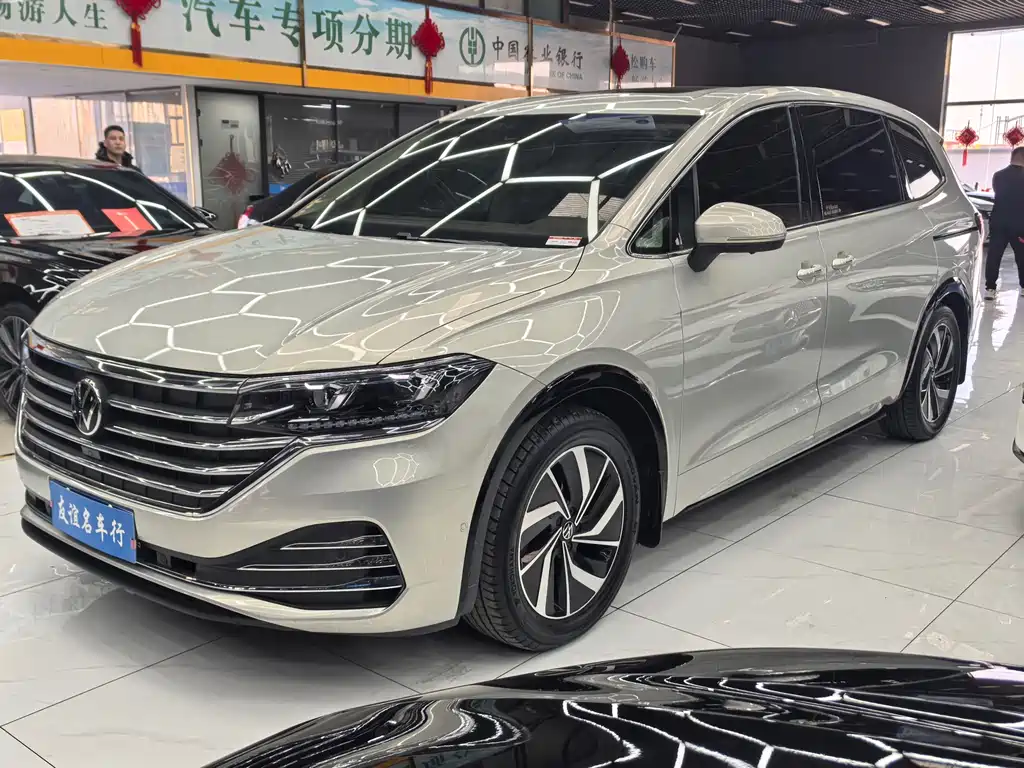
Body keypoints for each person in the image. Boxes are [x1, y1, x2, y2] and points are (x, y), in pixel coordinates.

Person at [984, 145, 1024, 300]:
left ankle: (990, 288)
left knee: (994, 256)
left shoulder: (998, 175)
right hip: (1020, 225)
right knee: (1022, 257)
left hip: (998, 222)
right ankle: (1023, 287)